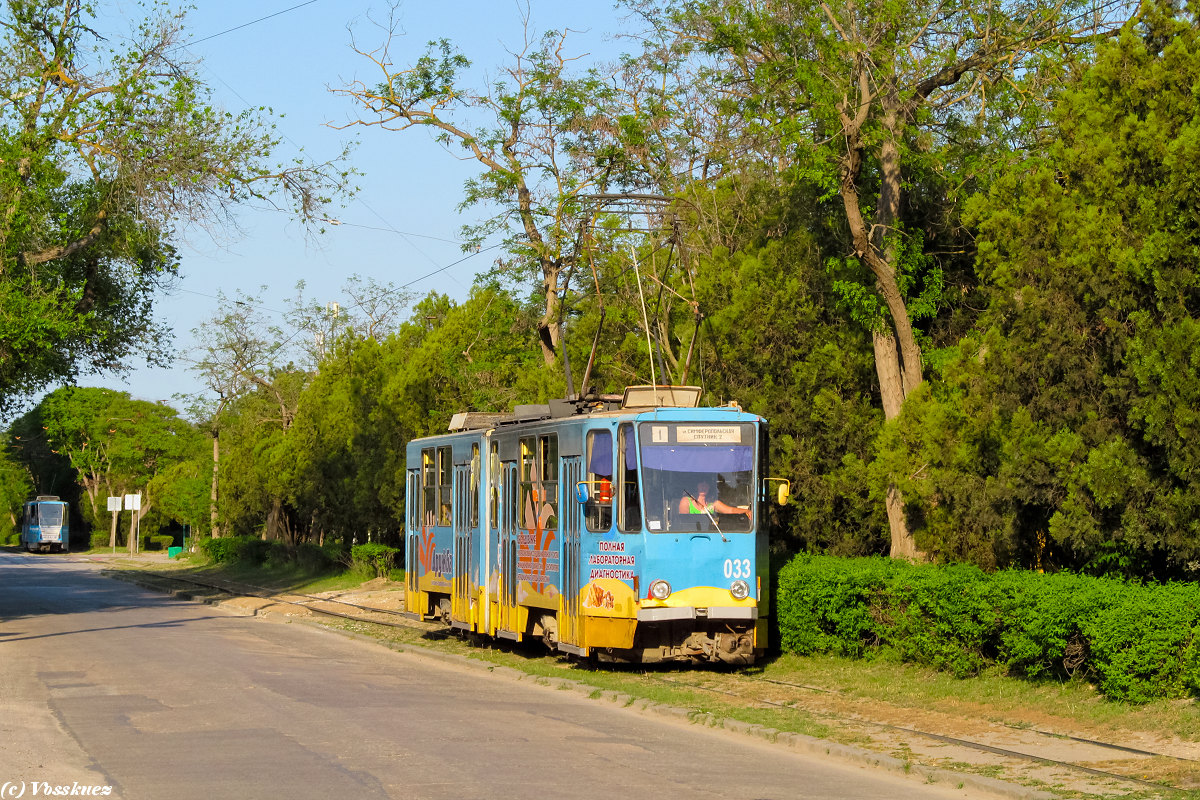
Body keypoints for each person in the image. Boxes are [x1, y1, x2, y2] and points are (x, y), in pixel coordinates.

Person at [678, 481, 750, 517]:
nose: (703, 487)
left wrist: (747, 511)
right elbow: (683, 521)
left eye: (706, 485)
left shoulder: (713, 504)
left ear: (709, 487)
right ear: (697, 486)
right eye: (701, 484)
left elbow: (730, 510)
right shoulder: (686, 501)